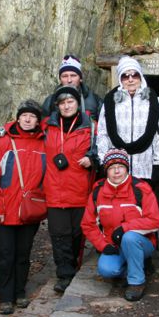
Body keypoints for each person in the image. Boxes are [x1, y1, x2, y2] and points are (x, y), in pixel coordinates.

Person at [0, 100, 46, 314]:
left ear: (39, 120)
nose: (28, 119)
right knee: (5, 254)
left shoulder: (43, 143)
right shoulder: (4, 142)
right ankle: (5, 297)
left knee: (23, 253)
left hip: (29, 210)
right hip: (4, 209)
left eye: (32, 116)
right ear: (17, 118)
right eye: (24, 116)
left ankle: (19, 292)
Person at [81, 149, 159, 302]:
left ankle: (136, 282)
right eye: (111, 168)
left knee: (129, 237)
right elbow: (87, 224)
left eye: (120, 167)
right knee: (106, 270)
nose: (116, 171)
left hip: (140, 242)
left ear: (127, 168)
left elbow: (154, 220)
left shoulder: (140, 189)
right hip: (113, 245)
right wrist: (103, 245)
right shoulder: (98, 192)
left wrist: (125, 228)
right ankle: (138, 267)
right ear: (106, 171)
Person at [43, 85, 98, 293]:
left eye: (70, 101)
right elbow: (25, 126)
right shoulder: (47, 126)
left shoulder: (92, 127)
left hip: (79, 189)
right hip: (54, 189)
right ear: (57, 106)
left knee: (76, 234)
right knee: (59, 235)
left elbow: (101, 149)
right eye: (62, 103)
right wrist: (4, 129)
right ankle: (64, 274)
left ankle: (73, 265)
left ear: (78, 103)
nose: (66, 106)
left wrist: (91, 159)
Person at [96, 55, 159, 188]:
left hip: (145, 168)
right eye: (125, 76)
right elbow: (102, 133)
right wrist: (103, 161)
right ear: (120, 79)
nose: (130, 79)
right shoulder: (110, 102)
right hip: (117, 168)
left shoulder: (154, 101)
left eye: (134, 75)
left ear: (140, 76)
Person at [41, 54, 103, 120]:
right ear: (60, 79)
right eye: (65, 76)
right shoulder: (50, 101)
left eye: (73, 75)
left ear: (80, 78)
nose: (69, 80)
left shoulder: (95, 101)